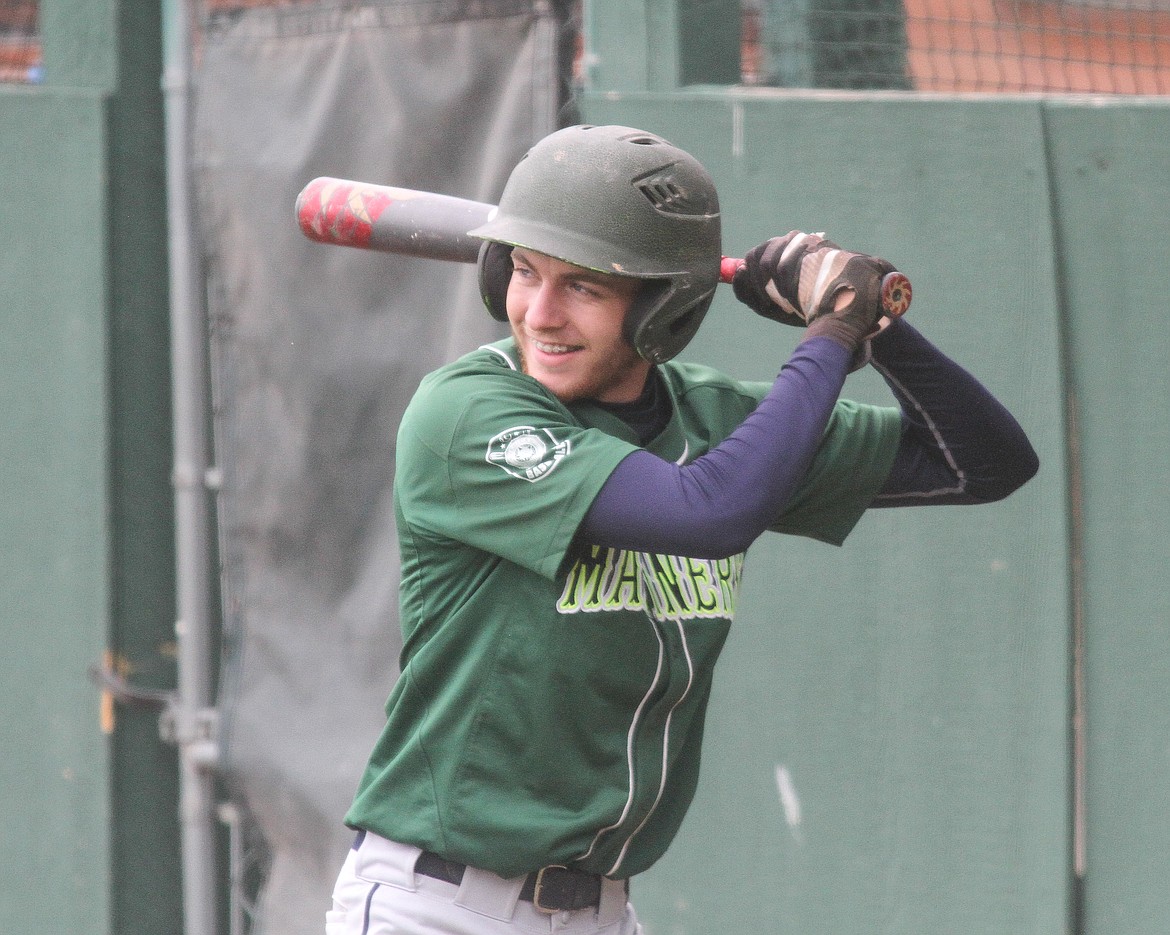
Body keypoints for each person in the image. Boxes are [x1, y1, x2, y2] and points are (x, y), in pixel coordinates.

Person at [324, 124, 1038, 935]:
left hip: (602, 911)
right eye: (525, 271)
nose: (541, 313)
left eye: (584, 287)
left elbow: (984, 462)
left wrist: (873, 320)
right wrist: (831, 333)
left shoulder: (715, 422)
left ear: (665, 305)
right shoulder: (467, 414)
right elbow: (709, 512)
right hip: (440, 905)